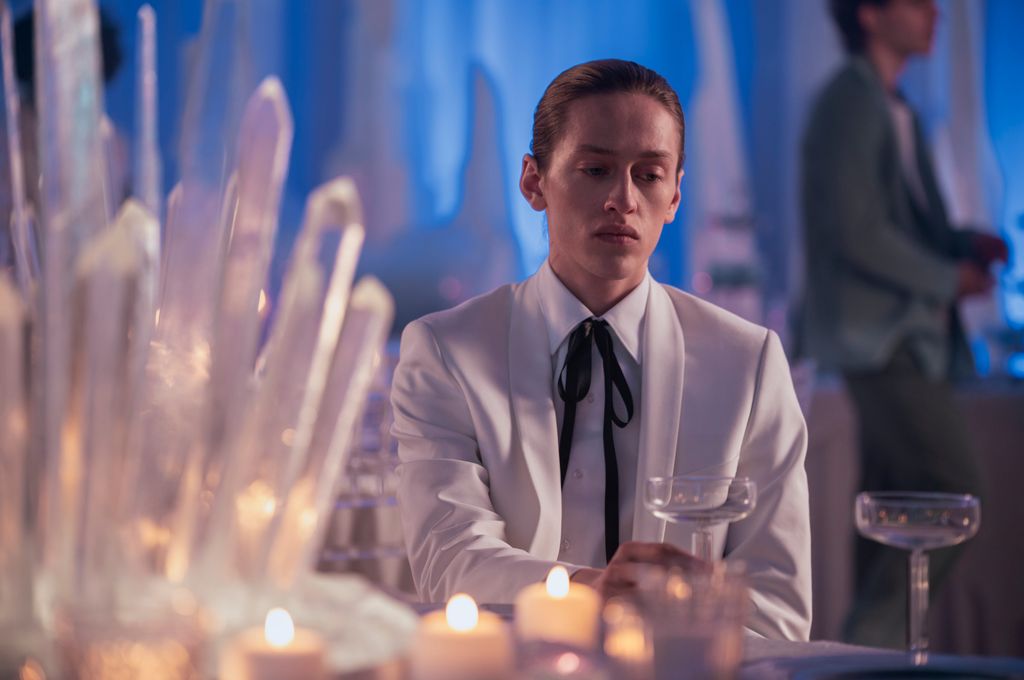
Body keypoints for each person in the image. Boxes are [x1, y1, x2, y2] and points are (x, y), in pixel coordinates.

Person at [392, 59, 811, 641]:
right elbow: (449, 562)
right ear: (534, 182)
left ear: (674, 196)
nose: (623, 199)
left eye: (649, 175)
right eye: (595, 169)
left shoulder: (748, 364)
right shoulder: (446, 352)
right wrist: (593, 592)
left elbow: (778, 611)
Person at [801, 0, 1008, 647]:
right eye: (917, 2)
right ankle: (875, 638)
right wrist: (950, 279)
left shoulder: (897, 108)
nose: (935, 13)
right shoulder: (849, 103)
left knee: (888, 502)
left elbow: (903, 219)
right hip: (880, 340)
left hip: (901, 338)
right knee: (955, 490)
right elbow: (858, 232)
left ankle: (865, 654)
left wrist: (964, 243)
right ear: (870, 14)